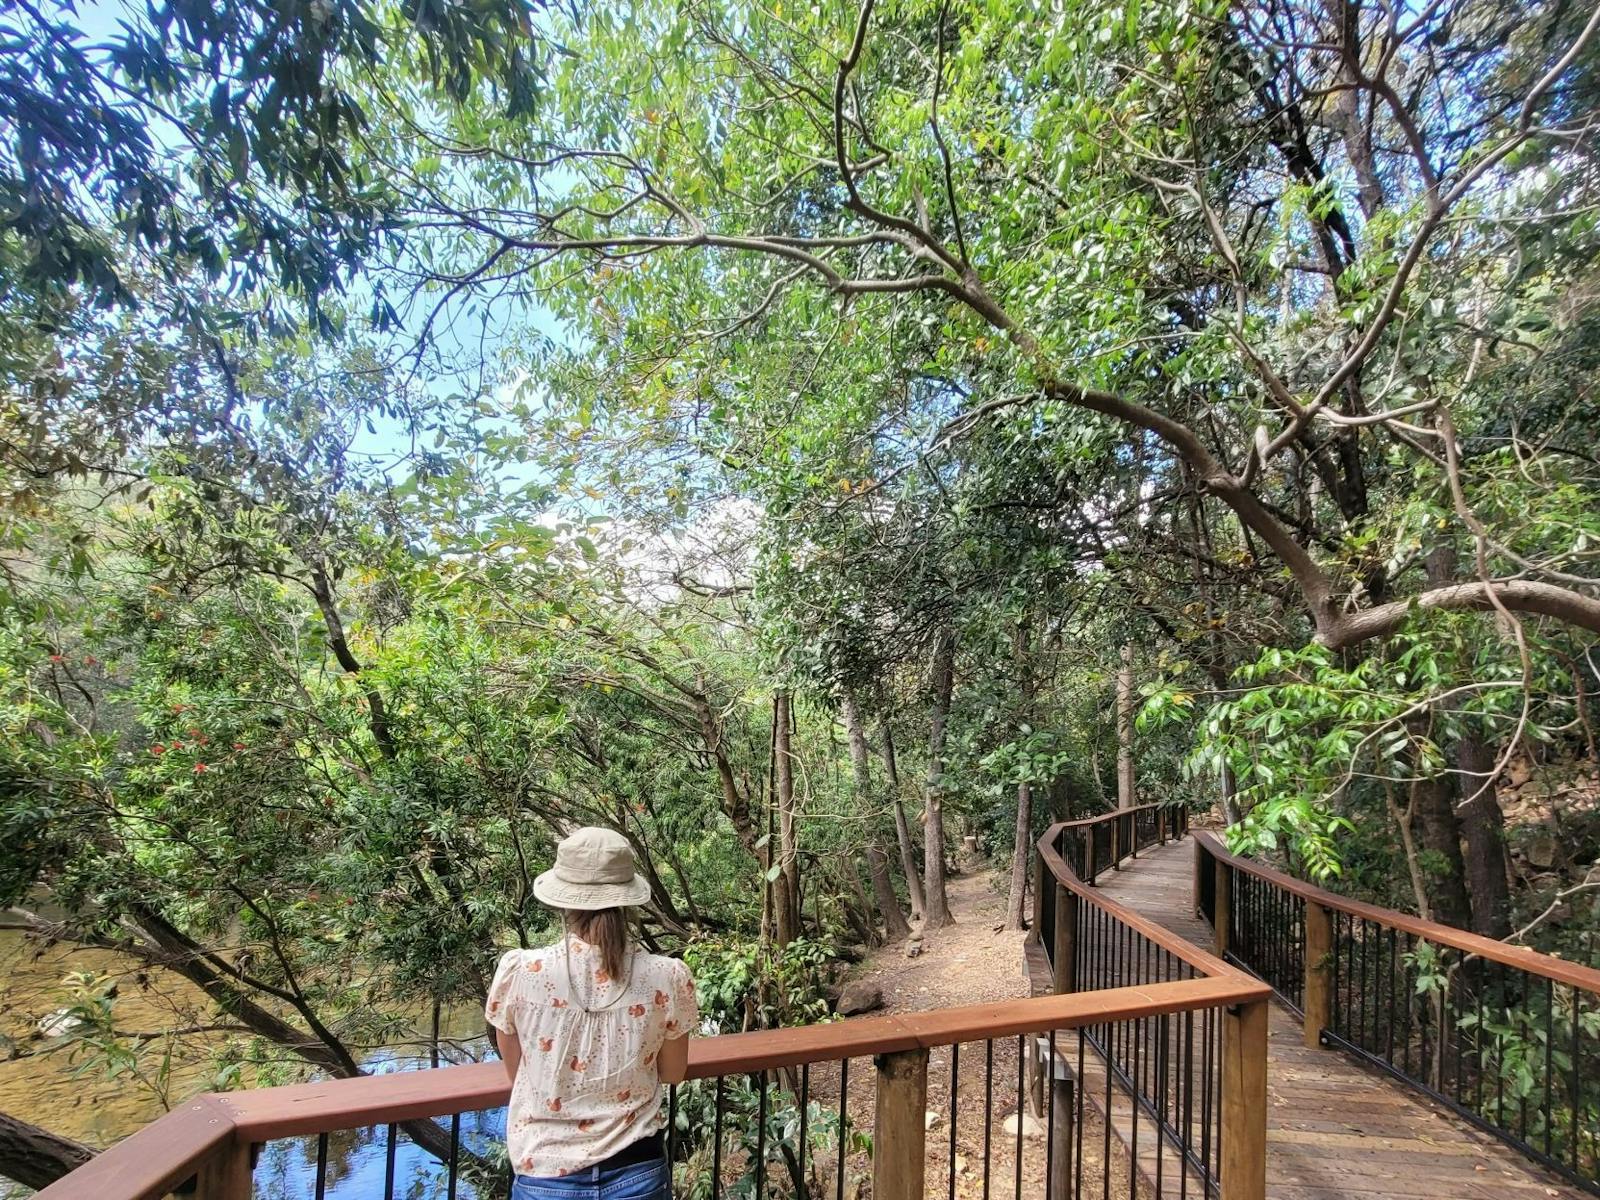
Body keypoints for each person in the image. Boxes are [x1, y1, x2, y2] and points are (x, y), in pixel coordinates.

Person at [487, 827, 698, 1200]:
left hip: (544, 1171)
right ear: (628, 899)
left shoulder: (520, 971)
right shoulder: (666, 976)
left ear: (563, 901)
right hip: (638, 1167)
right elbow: (673, 1072)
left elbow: (517, 1070)